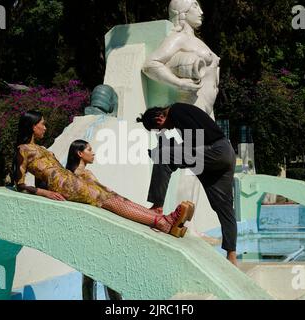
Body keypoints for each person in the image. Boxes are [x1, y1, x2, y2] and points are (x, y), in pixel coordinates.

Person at [13, 110, 195, 239]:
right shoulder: (23, 150)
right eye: (42, 124)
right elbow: (19, 184)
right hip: (64, 186)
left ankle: (159, 217)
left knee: (113, 195)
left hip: (69, 180)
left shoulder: (42, 149)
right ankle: (162, 223)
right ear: (32, 126)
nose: (45, 127)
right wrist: (46, 194)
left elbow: (41, 178)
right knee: (105, 199)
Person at [136, 102, 238, 266]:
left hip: (215, 152)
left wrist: (164, 152)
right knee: (223, 207)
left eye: (160, 128)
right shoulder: (182, 114)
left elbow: (192, 143)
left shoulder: (176, 111)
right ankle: (232, 255)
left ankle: (157, 206)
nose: (166, 130)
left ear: (160, 117)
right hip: (225, 154)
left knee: (163, 156)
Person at [65, 139, 122, 300]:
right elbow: (104, 194)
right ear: (80, 153)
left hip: (83, 228)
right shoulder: (84, 174)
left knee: (89, 274)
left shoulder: (69, 175)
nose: (93, 152)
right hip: (95, 227)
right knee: (108, 273)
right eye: (89, 150)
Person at [142, 0, 220, 118]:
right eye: (195, 6)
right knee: (192, 136)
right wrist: (180, 83)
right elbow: (150, 65)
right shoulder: (179, 38)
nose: (201, 12)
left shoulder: (198, 41)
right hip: (193, 104)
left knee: (200, 136)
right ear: (183, 12)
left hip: (207, 107)